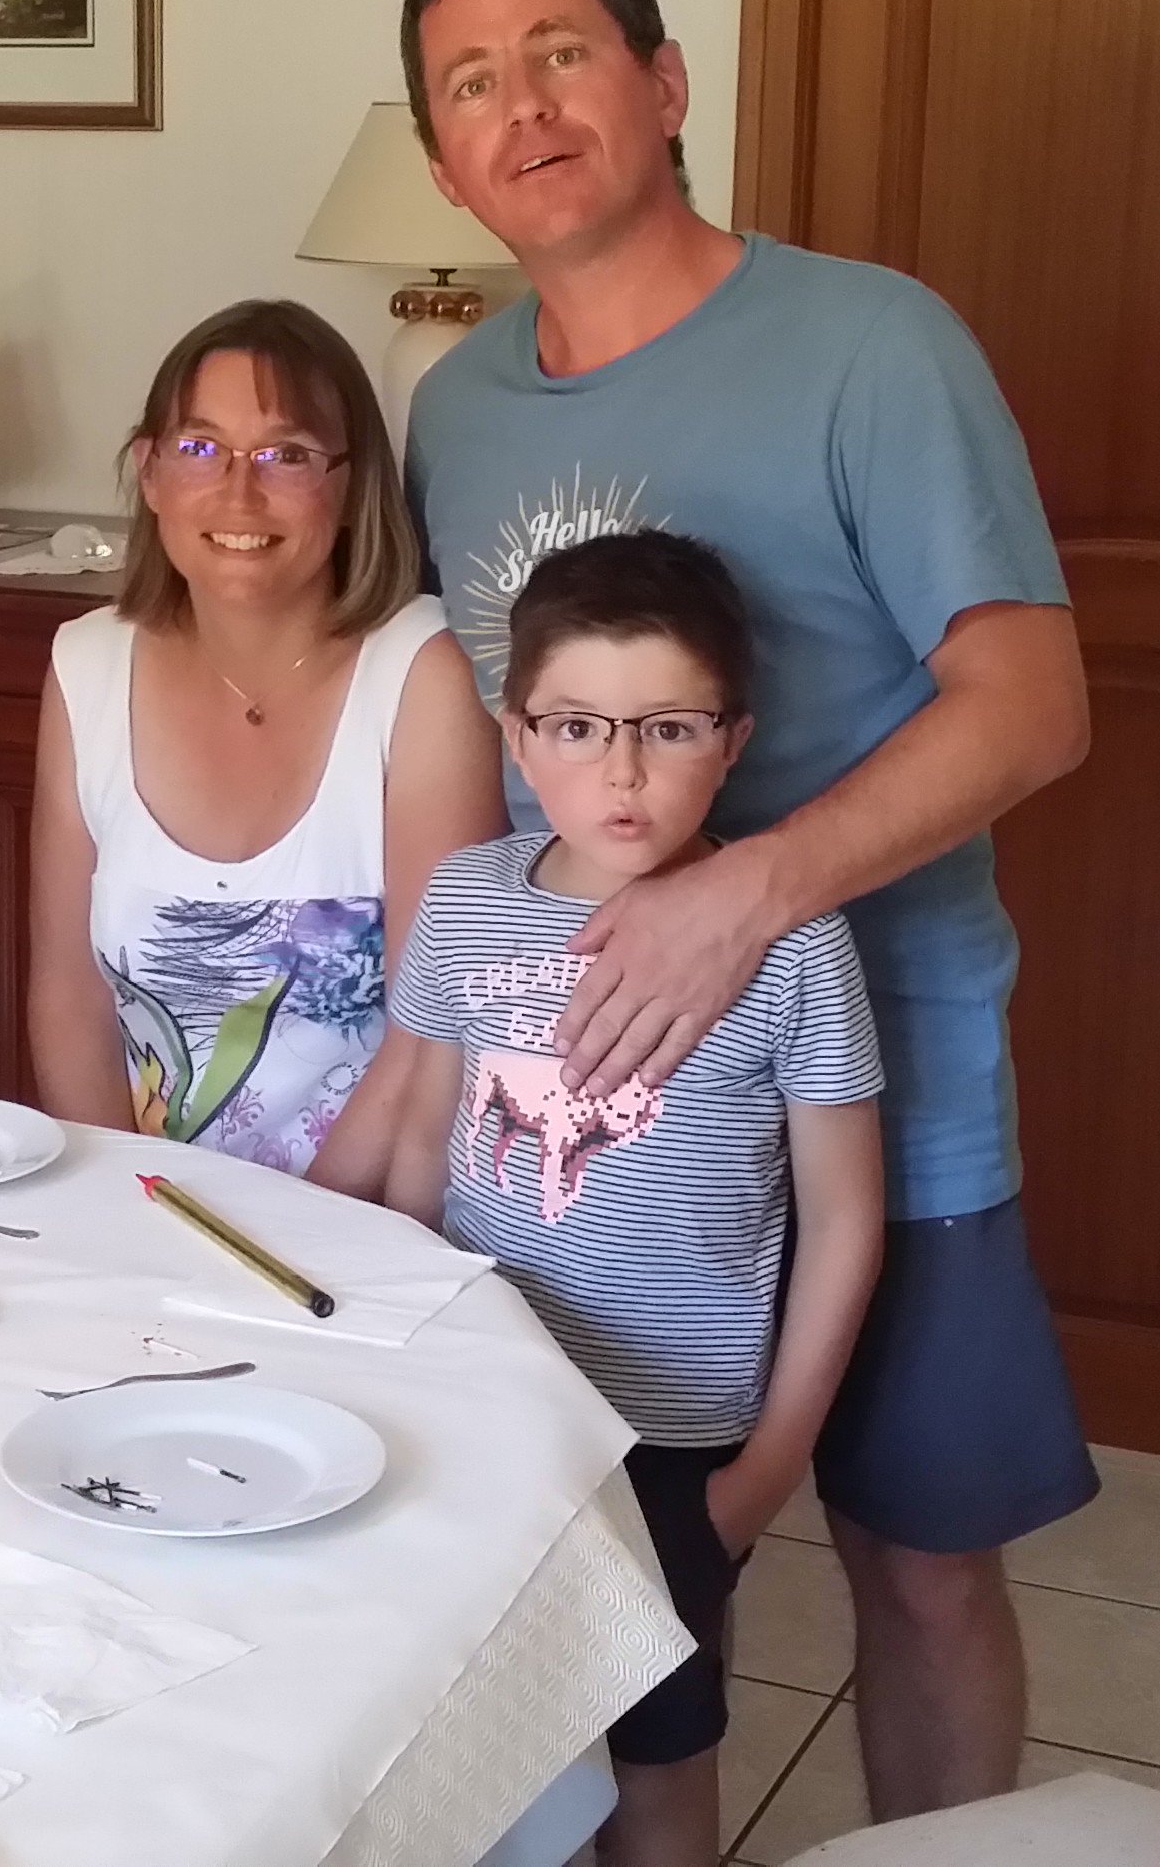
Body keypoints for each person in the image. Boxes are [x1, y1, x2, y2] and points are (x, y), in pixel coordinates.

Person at [393, 0, 1100, 1819]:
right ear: (442, 160)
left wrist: (746, 893)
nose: (524, 105)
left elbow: (1033, 702)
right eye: (470, 82)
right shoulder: (451, 412)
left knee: (916, 1558)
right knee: (563, 1572)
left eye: (560, 52)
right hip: (572, 1133)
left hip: (878, 1082)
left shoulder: (870, 344)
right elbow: (468, 745)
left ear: (663, 81)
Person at [368, 532, 883, 1867]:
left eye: (668, 726)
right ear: (516, 734)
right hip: (490, 1413)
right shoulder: (468, 903)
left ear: (734, 737)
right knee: (480, 1745)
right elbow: (422, 1136)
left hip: (675, 1441)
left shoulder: (794, 944)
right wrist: (402, 1363)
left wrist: (768, 1468)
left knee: (659, 1757)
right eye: (579, 725)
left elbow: (843, 1218)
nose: (623, 770)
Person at [26, 300, 505, 1174]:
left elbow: (431, 1036)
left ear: (353, 487)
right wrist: (121, 1203)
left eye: (286, 455)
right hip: (146, 1204)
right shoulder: (86, 664)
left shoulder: (422, 672)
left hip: (370, 1207)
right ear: (150, 474)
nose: (238, 493)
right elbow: (68, 995)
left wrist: (294, 1228)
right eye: (199, 448)